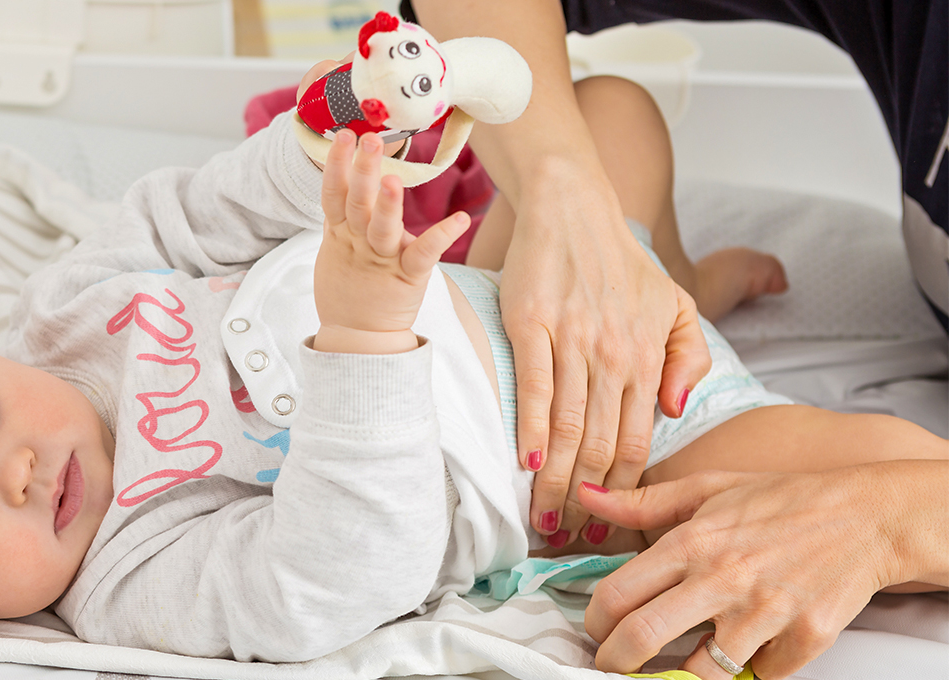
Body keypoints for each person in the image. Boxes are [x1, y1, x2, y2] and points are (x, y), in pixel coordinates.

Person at [0, 65, 945, 666]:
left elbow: (199, 211)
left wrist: (315, 147)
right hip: (611, 457)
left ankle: (670, 268)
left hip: (541, 302)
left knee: (603, 109)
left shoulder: (69, 313)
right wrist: (361, 331)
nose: (16, 465)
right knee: (887, 479)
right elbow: (332, 578)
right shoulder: (133, 579)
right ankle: (704, 337)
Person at [402, 0, 948, 677]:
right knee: (612, 106)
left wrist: (890, 519)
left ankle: (682, 299)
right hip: (523, 310)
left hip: (663, 431)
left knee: (892, 466)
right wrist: (564, 199)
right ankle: (677, 290)